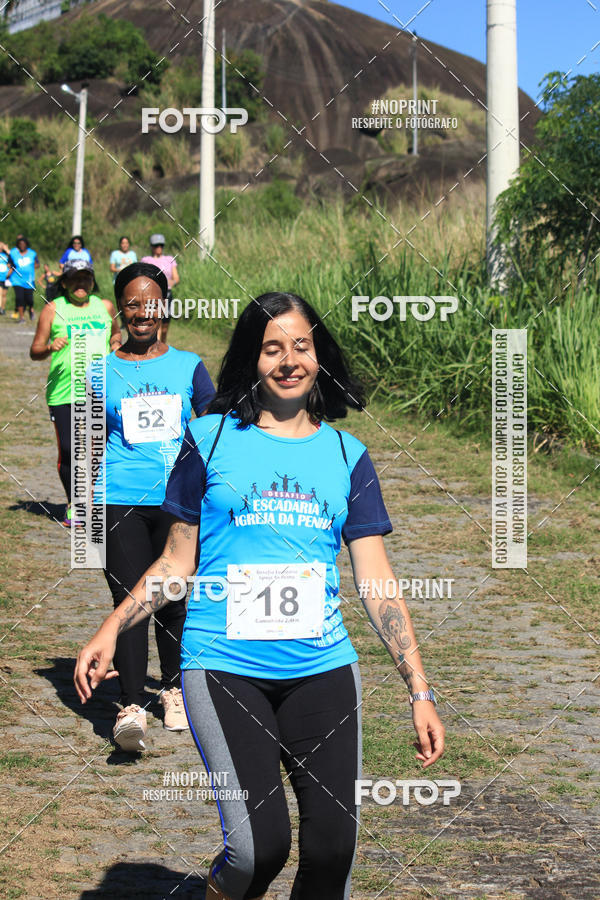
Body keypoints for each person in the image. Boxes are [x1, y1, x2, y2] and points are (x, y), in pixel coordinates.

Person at [74, 291, 445, 900]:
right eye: (273, 348)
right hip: (224, 668)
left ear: (319, 356)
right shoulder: (209, 439)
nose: (289, 360)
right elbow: (175, 562)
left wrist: (419, 690)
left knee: (332, 849)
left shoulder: (348, 456)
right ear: (253, 358)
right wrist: (112, 627)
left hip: (322, 671)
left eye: (301, 346)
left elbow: (377, 582)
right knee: (257, 848)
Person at [92, 261, 214, 751]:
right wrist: (84, 511)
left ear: (165, 306)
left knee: (173, 597)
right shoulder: (100, 370)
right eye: (132, 303)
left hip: (178, 501)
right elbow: (87, 442)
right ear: (119, 309)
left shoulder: (189, 367)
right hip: (119, 498)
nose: (143, 311)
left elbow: (214, 432)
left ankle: (172, 690)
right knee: (128, 597)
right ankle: (129, 706)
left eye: (152, 301)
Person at [29, 260, 121, 526]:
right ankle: (75, 505)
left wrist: (115, 344)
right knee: (70, 450)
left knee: (103, 450)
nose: (81, 284)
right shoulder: (53, 309)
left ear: (92, 282)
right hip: (64, 393)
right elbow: (34, 351)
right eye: (75, 279)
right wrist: (50, 347)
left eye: (86, 279)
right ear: (65, 282)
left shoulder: (104, 306)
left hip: (101, 390)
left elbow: (116, 335)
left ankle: (99, 502)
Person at [141, 234, 179, 343]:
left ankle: (163, 345)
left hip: (167, 294)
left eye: (161, 245)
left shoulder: (169, 259)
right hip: (152, 295)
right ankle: (156, 348)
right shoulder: (146, 260)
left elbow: (176, 278)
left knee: (165, 326)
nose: (159, 248)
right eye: (156, 245)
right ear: (151, 246)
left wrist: (170, 282)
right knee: (157, 322)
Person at [9, 235, 39, 322]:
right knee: (19, 298)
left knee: (29, 299)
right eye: (20, 244)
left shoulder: (32, 253)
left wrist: (35, 265)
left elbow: (37, 264)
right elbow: (10, 263)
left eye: (23, 244)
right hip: (17, 280)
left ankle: (31, 309)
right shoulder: (14, 253)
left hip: (29, 280)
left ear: (26, 244)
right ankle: (21, 317)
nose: (22, 245)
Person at [0, 241, 10, 315]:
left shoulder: (6, 255)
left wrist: (6, 249)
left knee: (4, 295)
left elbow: (13, 256)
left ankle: (2, 309)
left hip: (6, 277)